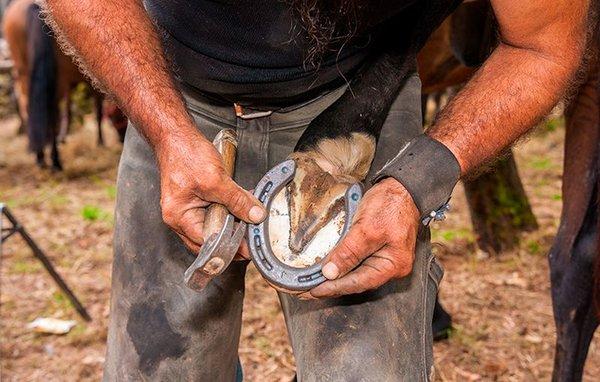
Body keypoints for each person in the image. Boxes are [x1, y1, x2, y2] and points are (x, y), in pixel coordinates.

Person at [44, 0, 589, 380]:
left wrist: (414, 183)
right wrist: (167, 133)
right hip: (174, 95)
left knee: (370, 372)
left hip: (364, 95)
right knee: (158, 367)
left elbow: (542, 45)